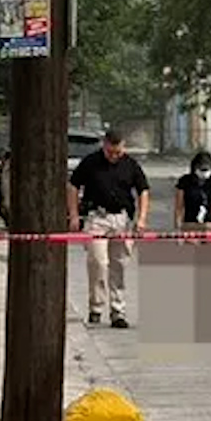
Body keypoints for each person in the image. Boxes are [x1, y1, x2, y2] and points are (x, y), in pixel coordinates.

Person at [66, 127, 150, 328]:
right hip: (97, 218)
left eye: (118, 152)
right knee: (98, 263)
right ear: (104, 145)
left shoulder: (130, 165)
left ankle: (117, 311)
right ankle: (96, 307)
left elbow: (143, 190)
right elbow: (72, 186)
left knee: (119, 265)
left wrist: (142, 218)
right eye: (110, 152)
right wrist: (74, 214)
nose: (114, 156)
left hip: (121, 219)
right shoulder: (91, 162)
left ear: (123, 148)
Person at [173, 150, 211, 232]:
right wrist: (178, 226)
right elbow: (179, 206)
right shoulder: (185, 181)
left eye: (206, 170)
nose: (204, 173)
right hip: (190, 225)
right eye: (201, 169)